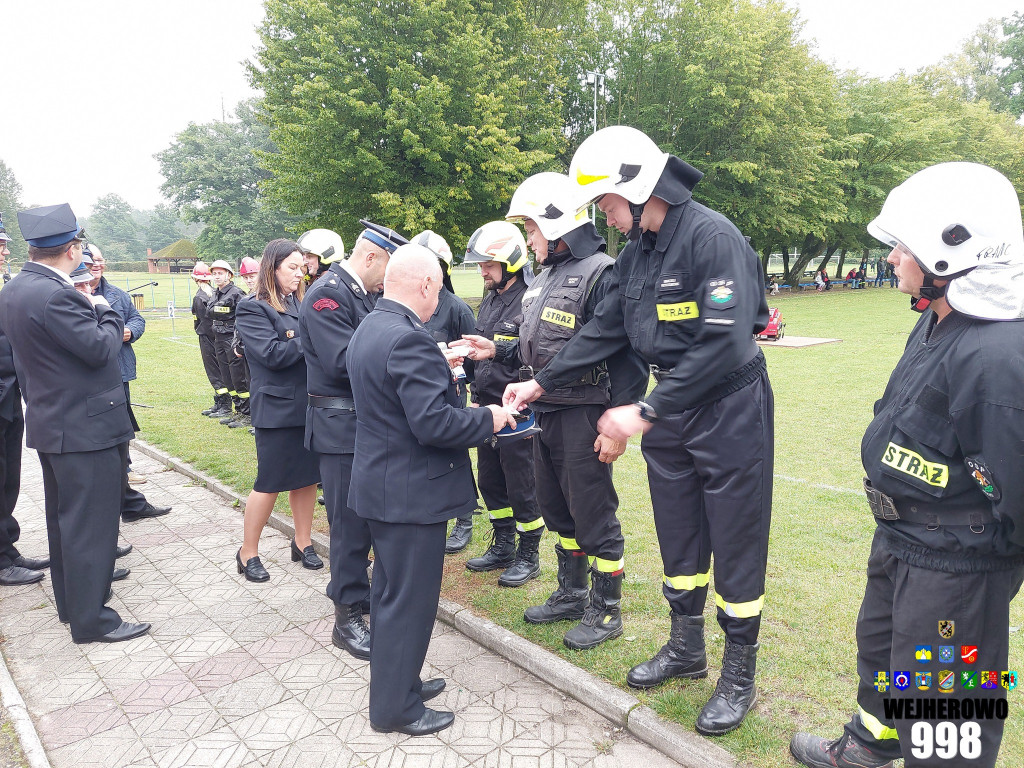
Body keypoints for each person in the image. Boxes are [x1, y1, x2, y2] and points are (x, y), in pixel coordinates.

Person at [505, 126, 774, 736]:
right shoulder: (639, 252)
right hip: (672, 408)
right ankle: (686, 647)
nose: (602, 213)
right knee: (679, 533)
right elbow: (603, 330)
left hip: (728, 404)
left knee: (733, 538)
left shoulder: (713, 238)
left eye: (604, 200)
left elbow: (728, 340)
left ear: (633, 187)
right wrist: (541, 383)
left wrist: (646, 411)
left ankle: (738, 674)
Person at [790, 163, 1024, 768]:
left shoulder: (996, 353)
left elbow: (1016, 493)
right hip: (902, 539)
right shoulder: (937, 319)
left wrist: (981, 580)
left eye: (905, 245)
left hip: (956, 565)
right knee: (883, 659)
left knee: (949, 721)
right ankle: (872, 744)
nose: (893, 256)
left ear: (953, 254)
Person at [465, 174, 648, 650]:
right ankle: (571, 592)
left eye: (530, 227)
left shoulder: (602, 273)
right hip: (544, 413)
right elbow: (540, 343)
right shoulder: (545, 275)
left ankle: (606, 611)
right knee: (556, 507)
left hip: (585, 416)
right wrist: (498, 349)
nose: (527, 240)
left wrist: (620, 425)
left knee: (593, 514)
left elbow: (624, 354)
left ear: (556, 225)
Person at [347, 243, 516, 736]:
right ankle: (397, 709)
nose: (437, 300)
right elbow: (433, 424)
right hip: (410, 493)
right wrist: (489, 417)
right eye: (437, 290)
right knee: (409, 601)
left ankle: (400, 685)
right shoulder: (408, 339)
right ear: (424, 285)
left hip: (383, 485)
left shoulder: (374, 326)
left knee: (391, 595)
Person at [0, 203, 149, 643]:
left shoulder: (15, 288)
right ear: (71, 249)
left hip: (54, 421)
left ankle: (72, 605)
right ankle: (92, 620)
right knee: (91, 526)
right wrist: (103, 307)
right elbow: (101, 350)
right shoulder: (59, 294)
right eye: (80, 246)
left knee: (65, 522)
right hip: (86, 427)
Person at [298, 221, 406, 661]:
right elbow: (344, 360)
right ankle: (345, 618)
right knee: (347, 525)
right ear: (370, 258)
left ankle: (361, 601)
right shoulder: (327, 294)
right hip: (339, 428)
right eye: (388, 271)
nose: (388, 282)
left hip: (359, 425)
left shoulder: (359, 293)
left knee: (364, 519)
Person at [453, 222, 543, 587]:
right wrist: (465, 362)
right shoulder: (490, 297)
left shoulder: (532, 297)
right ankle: (503, 542)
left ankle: (528, 552)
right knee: (490, 480)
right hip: (486, 405)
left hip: (517, 408)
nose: (481, 272)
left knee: (521, 482)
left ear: (511, 262)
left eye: (487, 265)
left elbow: (535, 351)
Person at [234, 240, 321, 581]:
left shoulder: (299, 304)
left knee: (307, 479)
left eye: (302, 268)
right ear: (272, 268)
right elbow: (272, 354)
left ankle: (302, 542)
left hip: (307, 405)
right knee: (269, 482)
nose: (300, 275)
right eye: (293, 268)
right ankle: (248, 551)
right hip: (276, 409)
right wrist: (312, 340)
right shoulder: (252, 307)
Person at [413, 230, 479, 554]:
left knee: (456, 455)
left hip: (452, 396)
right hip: (419, 396)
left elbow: (476, 359)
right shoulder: (411, 309)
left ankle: (464, 519)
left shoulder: (457, 309)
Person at [0, 225, 51, 586]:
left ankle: (6, 546)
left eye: (4, 245)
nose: (4, 251)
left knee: (8, 476)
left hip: (8, 392)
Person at [208, 260, 250, 427]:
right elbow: (209, 311)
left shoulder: (236, 293)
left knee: (239, 376)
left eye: (220, 273)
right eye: (215, 273)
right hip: (218, 337)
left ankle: (248, 414)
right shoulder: (215, 293)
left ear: (229, 275)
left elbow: (243, 317)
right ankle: (238, 411)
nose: (217, 277)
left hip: (230, 338)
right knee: (227, 377)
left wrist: (219, 311)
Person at [190, 262, 228, 417]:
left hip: (207, 338)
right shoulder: (214, 293)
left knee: (213, 371)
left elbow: (200, 321)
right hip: (218, 336)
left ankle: (224, 404)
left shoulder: (199, 297)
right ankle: (221, 401)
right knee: (222, 369)